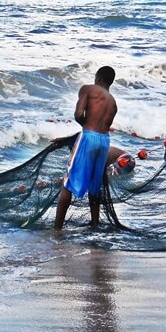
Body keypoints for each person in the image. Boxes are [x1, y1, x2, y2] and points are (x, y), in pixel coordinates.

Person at [54, 66, 118, 231]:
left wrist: (87, 127)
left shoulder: (88, 89)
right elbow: (106, 124)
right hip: (104, 141)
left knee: (68, 183)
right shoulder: (113, 102)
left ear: (98, 78)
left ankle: (57, 229)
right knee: (95, 186)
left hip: (88, 137)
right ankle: (95, 224)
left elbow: (78, 114)